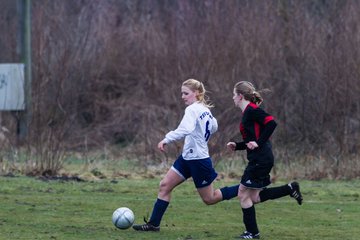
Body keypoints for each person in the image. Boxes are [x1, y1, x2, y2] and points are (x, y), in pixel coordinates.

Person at [132, 78, 239, 231]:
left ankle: (243, 188)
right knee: (164, 186)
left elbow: (185, 129)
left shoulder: (192, 109)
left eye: (186, 93)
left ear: (196, 93)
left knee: (210, 199)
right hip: (187, 158)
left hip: (199, 160)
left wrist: (166, 139)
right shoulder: (205, 110)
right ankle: (153, 224)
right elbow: (214, 126)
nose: (182, 96)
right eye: (182, 93)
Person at [227, 81, 303, 239]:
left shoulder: (252, 110)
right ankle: (289, 188)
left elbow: (272, 123)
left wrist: (259, 142)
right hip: (260, 158)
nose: (232, 97)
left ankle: (252, 233)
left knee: (242, 194)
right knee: (253, 197)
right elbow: (252, 140)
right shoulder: (248, 112)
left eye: (234, 94)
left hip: (260, 159)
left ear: (240, 96)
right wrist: (238, 145)